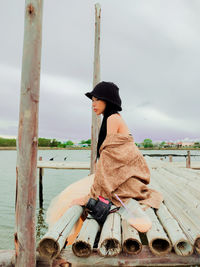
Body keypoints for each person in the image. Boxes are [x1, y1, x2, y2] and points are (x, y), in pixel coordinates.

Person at [46, 81, 163, 233]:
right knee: (71, 196)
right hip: (124, 176)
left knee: (68, 199)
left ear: (108, 100)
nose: (93, 104)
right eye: (92, 100)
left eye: (97, 100)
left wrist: (91, 196)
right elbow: (110, 159)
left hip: (123, 180)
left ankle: (68, 242)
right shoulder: (112, 117)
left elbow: (109, 161)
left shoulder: (112, 119)